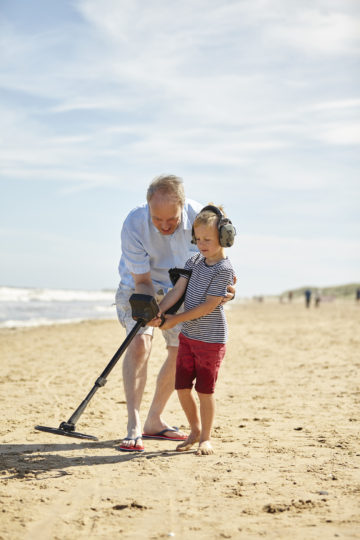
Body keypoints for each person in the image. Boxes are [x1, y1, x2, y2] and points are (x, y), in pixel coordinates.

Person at [115, 175, 235, 452]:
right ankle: (133, 425)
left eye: (172, 219)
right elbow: (142, 281)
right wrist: (153, 312)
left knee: (179, 348)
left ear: (183, 205)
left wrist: (226, 290)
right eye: (158, 220)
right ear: (148, 208)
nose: (165, 226)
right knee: (139, 342)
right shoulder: (134, 222)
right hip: (140, 284)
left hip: (184, 287)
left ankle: (153, 420)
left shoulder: (202, 219)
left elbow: (213, 267)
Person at [148, 204, 236, 455]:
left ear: (224, 237)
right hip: (188, 336)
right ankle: (195, 430)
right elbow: (177, 290)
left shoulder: (224, 269)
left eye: (207, 239)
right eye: (198, 239)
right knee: (183, 388)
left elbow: (209, 306)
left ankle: (206, 438)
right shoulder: (194, 260)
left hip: (210, 341)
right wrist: (161, 312)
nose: (202, 244)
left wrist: (176, 320)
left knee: (205, 392)